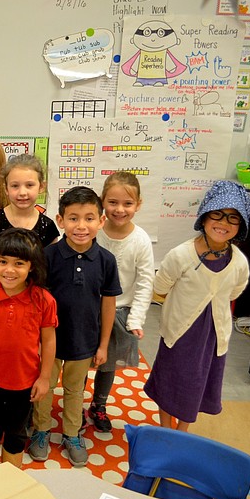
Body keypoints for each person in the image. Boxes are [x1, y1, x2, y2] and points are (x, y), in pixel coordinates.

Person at [144, 181, 250, 432]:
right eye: (217, 214)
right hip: (180, 333)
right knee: (171, 379)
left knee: (197, 381)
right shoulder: (181, 254)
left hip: (213, 336)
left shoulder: (239, 262)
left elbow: (235, 290)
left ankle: (182, 431)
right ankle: (166, 428)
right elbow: (160, 287)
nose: (223, 223)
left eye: (233, 218)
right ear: (204, 217)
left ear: (241, 226)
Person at [28, 187, 120, 468]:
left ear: (101, 221)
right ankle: (41, 429)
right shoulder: (47, 255)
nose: (81, 226)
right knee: (43, 386)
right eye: (73, 218)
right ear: (60, 220)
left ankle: (71, 433)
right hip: (49, 340)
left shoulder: (106, 260)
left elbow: (108, 304)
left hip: (85, 339)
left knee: (75, 389)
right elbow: (35, 300)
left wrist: (103, 345)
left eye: (89, 218)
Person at [0, 228, 57, 470]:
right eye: (3, 262)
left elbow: (48, 341)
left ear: (32, 266)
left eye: (19, 263)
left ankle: (10, 475)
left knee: (17, 431)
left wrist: (45, 377)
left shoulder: (43, 300)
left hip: (24, 383)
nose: (9, 270)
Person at [89, 172, 155, 432]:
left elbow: (144, 282)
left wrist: (136, 318)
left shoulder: (140, 240)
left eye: (127, 204)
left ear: (138, 204)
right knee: (81, 360)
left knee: (108, 364)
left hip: (121, 312)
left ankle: (99, 404)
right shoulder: (92, 231)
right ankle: (74, 403)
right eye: (113, 202)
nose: (119, 209)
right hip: (89, 309)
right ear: (102, 201)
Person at [0, 154, 60, 248]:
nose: (22, 192)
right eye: (15, 186)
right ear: (6, 188)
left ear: (41, 187)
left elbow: (50, 260)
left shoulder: (48, 227)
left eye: (29, 185)